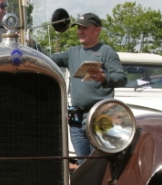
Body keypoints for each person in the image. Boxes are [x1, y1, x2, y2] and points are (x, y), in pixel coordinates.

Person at [50, 13, 126, 163]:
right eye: (78, 27)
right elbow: (47, 59)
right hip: (77, 119)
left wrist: (105, 77)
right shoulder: (72, 53)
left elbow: (122, 79)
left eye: (85, 27)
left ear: (97, 30)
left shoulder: (106, 52)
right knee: (82, 163)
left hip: (100, 117)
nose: (80, 31)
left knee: (98, 164)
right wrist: (31, 45)